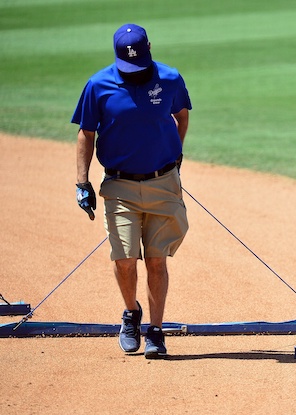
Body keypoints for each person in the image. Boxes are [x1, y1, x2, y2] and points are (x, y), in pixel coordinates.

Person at [72, 23, 192, 359]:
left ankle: (155, 331)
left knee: (156, 260)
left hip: (162, 183)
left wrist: (175, 154)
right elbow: (86, 134)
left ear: (150, 48)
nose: (134, 73)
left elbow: (181, 115)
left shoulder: (169, 78)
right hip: (120, 185)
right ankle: (131, 314)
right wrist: (82, 182)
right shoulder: (98, 86)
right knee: (125, 260)